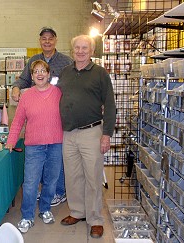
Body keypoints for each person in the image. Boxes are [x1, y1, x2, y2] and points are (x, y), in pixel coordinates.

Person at [57, 35, 116, 239]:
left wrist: (106, 134)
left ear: (91, 51)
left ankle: (95, 219)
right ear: (72, 50)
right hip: (68, 133)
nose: (80, 51)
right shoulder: (65, 72)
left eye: (85, 48)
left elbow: (110, 105)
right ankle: (77, 212)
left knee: (92, 177)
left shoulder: (100, 73)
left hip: (92, 132)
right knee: (72, 176)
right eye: (77, 48)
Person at [11, 26, 72, 207]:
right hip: (38, 118)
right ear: (40, 41)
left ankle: (59, 192)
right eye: (44, 38)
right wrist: (15, 88)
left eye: (50, 38)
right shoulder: (34, 60)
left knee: (56, 160)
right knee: (39, 162)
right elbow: (22, 80)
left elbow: (72, 83)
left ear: (55, 40)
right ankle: (46, 193)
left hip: (57, 115)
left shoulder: (66, 61)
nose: (47, 41)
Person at [5, 60, 63, 233]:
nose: (39, 74)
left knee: (51, 182)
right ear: (31, 76)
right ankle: (27, 216)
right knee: (30, 183)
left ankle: (45, 209)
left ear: (48, 74)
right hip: (34, 147)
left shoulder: (58, 93)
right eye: (36, 71)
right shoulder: (27, 96)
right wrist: (11, 140)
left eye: (43, 71)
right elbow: (17, 121)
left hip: (55, 145)